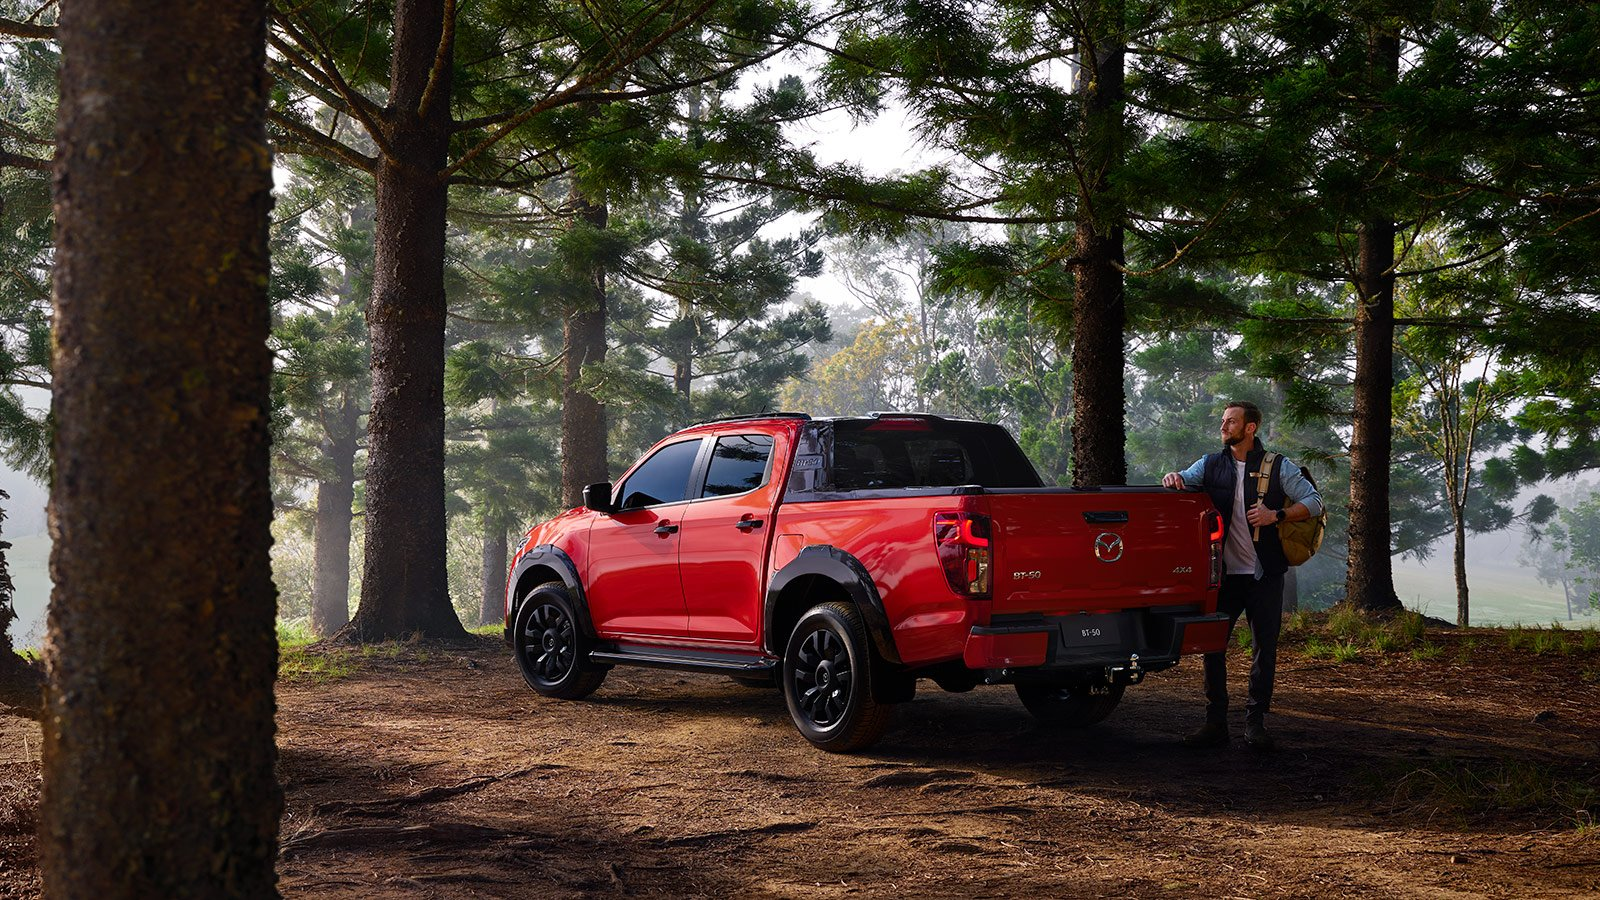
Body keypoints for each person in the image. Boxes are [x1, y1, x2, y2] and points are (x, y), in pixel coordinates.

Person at [1161, 401, 1323, 750]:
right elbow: (1182, 481)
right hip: (1223, 577)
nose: (1224, 426)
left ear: (1250, 428)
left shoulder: (1277, 466)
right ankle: (1215, 722)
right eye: (1223, 420)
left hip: (1264, 575)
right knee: (1212, 646)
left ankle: (1255, 723)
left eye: (1231, 421)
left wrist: (1275, 515)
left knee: (1264, 649)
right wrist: (1173, 478)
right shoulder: (1210, 464)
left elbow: (1314, 502)